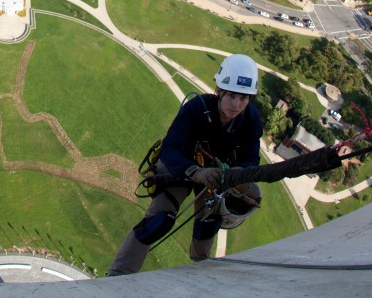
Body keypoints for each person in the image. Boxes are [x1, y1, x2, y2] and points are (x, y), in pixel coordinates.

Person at [106, 54, 264, 276]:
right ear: (219, 91)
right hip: (181, 167)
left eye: (244, 98)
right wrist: (195, 172)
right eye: (231, 95)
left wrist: (237, 174)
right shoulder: (197, 108)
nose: (236, 105)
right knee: (159, 220)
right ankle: (118, 274)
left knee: (208, 224)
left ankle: (199, 270)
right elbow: (170, 148)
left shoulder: (250, 120)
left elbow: (251, 158)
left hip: (216, 175)